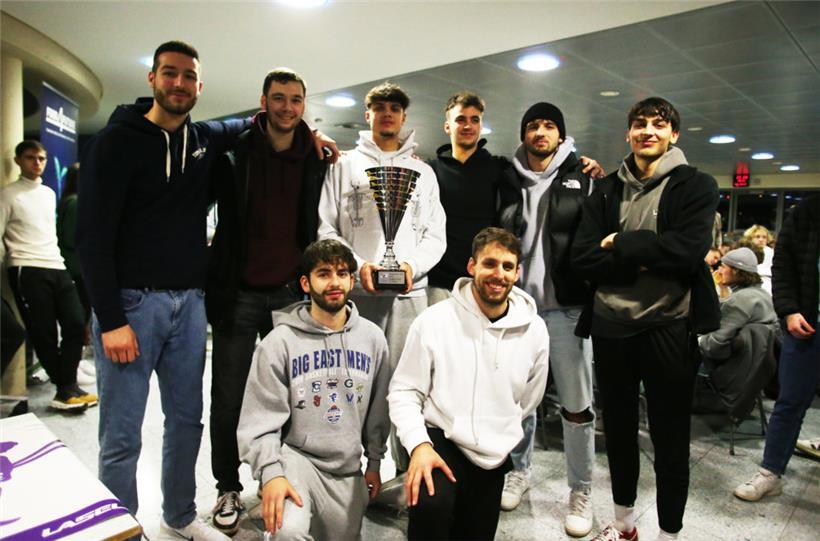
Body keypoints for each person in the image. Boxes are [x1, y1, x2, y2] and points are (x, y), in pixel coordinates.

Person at [78, 41, 256, 540]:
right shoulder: (116, 142)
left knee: (186, 422)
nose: (179, 84)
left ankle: (178, 515)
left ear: (200, 86)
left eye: (188, 77)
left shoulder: (201, 139)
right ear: (153, 79)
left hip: (190, 306)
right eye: (169, 74)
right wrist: (110, 319)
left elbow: (243, 125)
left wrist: (311, 133)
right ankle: (119, 527)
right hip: (132, 306)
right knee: (121, 434)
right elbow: (90, 238)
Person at [572, 97, 720, 541]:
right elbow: (582, 259)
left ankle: (669, 534)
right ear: (628, 133)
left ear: (673, 134)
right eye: (639, 124)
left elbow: (687, 252)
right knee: (617, 431)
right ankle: (623, 523)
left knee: (670, 437)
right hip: (611, 326)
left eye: (659, 125)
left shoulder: (696, 185)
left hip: (669, 326)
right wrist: (642, 255)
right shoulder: (606, 189)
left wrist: (618, 243)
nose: (648, 131)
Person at [205, 68, 329, 533]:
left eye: (296, 100)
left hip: (289, 296)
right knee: (230, 396)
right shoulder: (235, 151)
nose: (288, 108)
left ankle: (281, 480)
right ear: (263, 101)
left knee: (292, 397)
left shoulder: (316, 157)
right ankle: (227, 487)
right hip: (239, 292)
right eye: (279, 98)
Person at [388, 227, 549, 541]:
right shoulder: (434, 321)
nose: (498, 274)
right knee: (431, 508)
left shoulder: (535, 331)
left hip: (493, 452)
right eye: (489, 264)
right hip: (440, 440)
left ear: (517, 273)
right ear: (472, 266)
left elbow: (530, 397)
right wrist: (418, 445)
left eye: (507, 266)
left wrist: (502, 427)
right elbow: (404, 390)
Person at [318, 82, 446, 471]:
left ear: (404, 116)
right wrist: (359, 266)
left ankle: (409, 472)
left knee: (408, 387)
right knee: (355, 383)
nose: (387, 113)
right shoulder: (343, 166)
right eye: (380, 107)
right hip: (359, 293)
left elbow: (435, 234)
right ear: (368, 114)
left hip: (410, 296)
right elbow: (326, 227)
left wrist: (411, 267)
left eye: (395, 108)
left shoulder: (422, 172)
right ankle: (354, 469)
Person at [237, 239, 390, 540]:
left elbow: (378, 413)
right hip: (297, 459)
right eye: (324, 273)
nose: (334, 282)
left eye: (342, 273)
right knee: (288, 533)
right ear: (306, 283)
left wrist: (374, 463)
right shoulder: (279, 343)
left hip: (348, 467)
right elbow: (259, 421)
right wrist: (271, 473)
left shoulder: (373, 339)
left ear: (351, 279)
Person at [498, 102, 597, 537]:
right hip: (518, 307)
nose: (541, 132)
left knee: (576, 407)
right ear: (523, 134)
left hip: (566, 308)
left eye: (549, 125)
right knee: (520, 401)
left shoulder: (584, 178)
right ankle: (518, 470)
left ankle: (582, 489)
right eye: (533, 126)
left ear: (561, 134)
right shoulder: (507, 178)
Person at [733, 195, 819, 501]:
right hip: (807, 325)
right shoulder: (807, 210)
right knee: (789, 402)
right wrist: (790, 309)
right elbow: (783, 264)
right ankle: (770, 472)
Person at [0, 140, 93, 411]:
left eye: (41, 158)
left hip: (56, 264)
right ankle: (65, 389)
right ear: (18, 160)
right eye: (31, 158)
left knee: (76, 324)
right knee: (44, 333)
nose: (37, 163)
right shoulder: (8, 195)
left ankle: (68, 385)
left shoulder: (50, 193)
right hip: (25, 267)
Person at [424, 91, 519, 304]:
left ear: (480, 126)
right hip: (438, 282)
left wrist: (584, 167)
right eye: (460, 120)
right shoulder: (430, 170)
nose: (468, 126)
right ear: (447, 126)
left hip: (481, 280)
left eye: (474, 120)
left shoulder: (499, 169)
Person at [698, 247, 777, 360]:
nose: (719, 271)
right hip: (759, 363)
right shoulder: (761, 294)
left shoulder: (742, 299)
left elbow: (714, 344)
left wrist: (698, 340)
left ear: (736, 270)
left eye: (723, 267)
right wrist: (722, 287)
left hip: (738, 366)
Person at [743, 225, 774, 295]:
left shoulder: (771, 252)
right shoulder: (746, 250)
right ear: (750, 238)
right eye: (757, 236)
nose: (761, 239)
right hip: (748, 281)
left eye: (764, 237)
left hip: (767, 282)